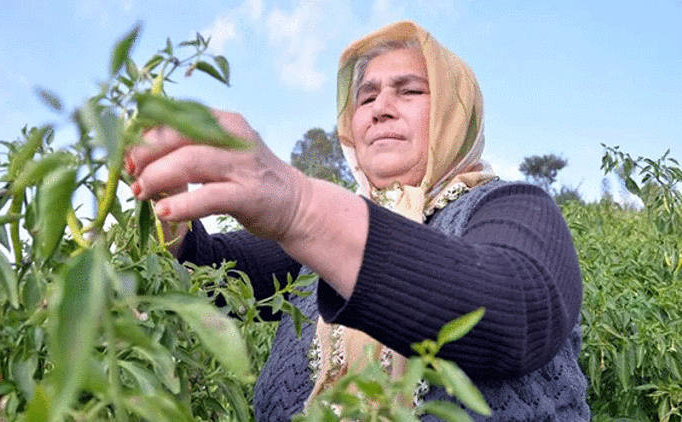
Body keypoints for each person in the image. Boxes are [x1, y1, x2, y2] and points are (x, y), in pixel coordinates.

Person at [125, 20, 589, 421]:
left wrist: (301, 207)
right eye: (365, 98)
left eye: (409, 91)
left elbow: (517, 311)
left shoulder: (512, 206)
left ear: (454, 112)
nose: (380, 107)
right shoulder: (316, 253)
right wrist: (167, 210)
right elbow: (214, 278)